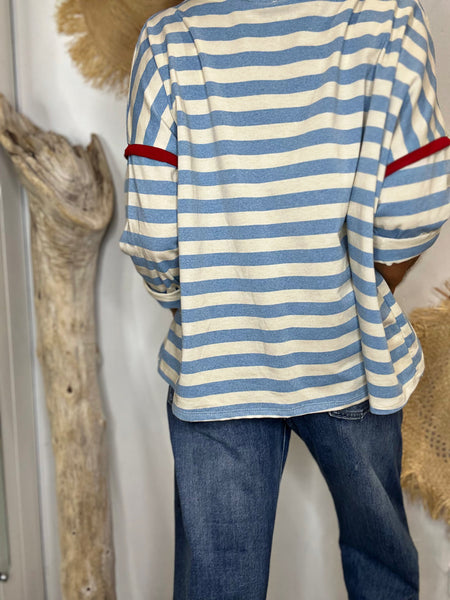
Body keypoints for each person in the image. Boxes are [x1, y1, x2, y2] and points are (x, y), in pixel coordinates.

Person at [119, 0, 450, 597]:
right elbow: (415, 204)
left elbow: (152, 235)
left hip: (218, 364)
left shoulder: (169, 39)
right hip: (351, 349)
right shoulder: (389, 20)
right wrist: (369, 278)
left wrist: (200, 302)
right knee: (381, 564)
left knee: (218, 579)